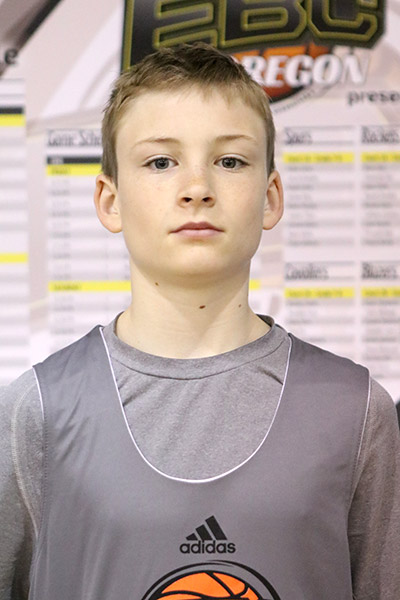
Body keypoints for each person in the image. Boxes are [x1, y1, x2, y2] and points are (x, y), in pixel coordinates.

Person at [0, 43, 399, 600]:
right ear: (109, 200)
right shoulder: (36, 411)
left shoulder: (355, 410)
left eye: (229, 161)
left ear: (271, 196)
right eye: (160, 162)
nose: (197, 188)